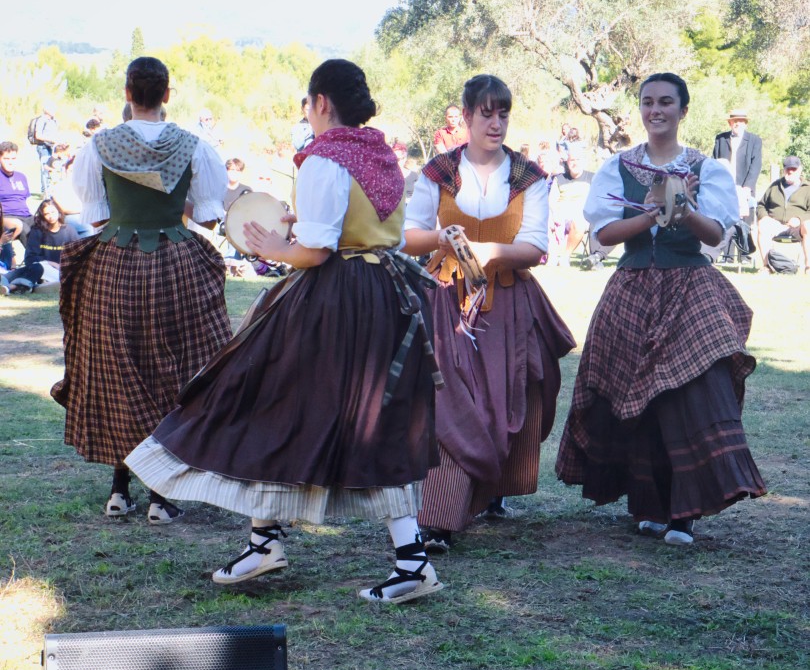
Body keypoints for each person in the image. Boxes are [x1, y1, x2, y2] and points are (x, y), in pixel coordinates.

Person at [126, 59, 443, 604]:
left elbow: (316, 252)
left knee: (277, 405)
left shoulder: (325, 158)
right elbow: (357, 229)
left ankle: (294, 546)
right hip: (383, 296)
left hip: (336, 299)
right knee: (363, 418)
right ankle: (288, 543)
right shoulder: (379, 151)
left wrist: (274, 248)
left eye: (308, 102)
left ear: (321, 102)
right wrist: (300, 231)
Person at [556, 73, 765, 546]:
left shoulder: (706, 167)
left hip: (690, 286)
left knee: (691, 393)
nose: (656, 110)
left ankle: (685, 511)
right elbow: (603, 237)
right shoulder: (618, 167)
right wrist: (651, 212)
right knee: (632, 396)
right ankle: (651, 505)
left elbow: (714, 235)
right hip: (631, 286)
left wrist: (682, 207)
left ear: (683, 111)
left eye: (666, 102)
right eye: (648, 102)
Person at [51, 57, 232, 525]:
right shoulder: (195, 145)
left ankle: (118, 489)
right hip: (175, 262)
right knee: (175, 370)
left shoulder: (100, 145)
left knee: (118, 371)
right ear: (167, 95)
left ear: (128, 94)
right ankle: (161, 494)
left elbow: (93, 217)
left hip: (116, 263)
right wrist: (175, 201)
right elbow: (210, 215)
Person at [404, 74, 575, 550]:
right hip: (445, 299)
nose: (495, 123)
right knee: (453, 402)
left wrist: (483, 249)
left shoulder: (528, 176)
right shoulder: (438, 171)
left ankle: (493, 488)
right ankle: (437, 520)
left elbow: (535, 246)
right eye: (486, 113)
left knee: (509, 397)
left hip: (507, 302)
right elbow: (408, 235)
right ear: (466, 116)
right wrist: (442, 238)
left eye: (503, 114)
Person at [0, 197, 77, 294]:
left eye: (53, 212)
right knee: (38, 267)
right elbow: (30, 259)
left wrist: (61, 266)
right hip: (42, 269)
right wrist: (50, 263)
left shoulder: (69, 231)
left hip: (63, 271)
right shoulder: (37, 231)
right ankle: (24, 285)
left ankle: (13, 286)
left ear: (59, 212)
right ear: (42, 215)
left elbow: (78, 255)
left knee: (38, 269)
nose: (50, 216)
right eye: (46, 214)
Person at [756, 156, 810, 274]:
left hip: (797, 228)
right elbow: (760, 205)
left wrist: (799, 219)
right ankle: (767, 266)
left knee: (809, 226)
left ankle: (808, 267)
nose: (790, 171)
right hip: (775, 225)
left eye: (793, 169)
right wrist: (765, 217)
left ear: (800, 169)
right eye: (787, 169)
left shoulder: (807, 188)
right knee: (762, 225)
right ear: (784, 170)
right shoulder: (774, 186)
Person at [0, 142, 34, 269]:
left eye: (13, 158)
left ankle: (52, 265)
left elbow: (27, 199)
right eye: (6, 159)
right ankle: (34, 265)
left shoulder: (21, 177)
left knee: (44, 227)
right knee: (24, 228)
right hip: (7, 216)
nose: (10, 162)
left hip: (25, 214)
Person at [712, 110, 762, 196]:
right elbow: (714, 162)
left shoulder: (755, 140)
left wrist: (747, 187)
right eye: (735, 121)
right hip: (723, 189)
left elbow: (756, 165)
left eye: (741, 121)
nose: (737, 124)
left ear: (746, 124)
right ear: (729, 123)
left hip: (745, 190)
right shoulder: (721, 139)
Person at [31, 104, 59, 194]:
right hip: (43, 147)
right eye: (52, 108)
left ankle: (50, 190)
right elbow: (38, 136)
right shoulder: (42, 120)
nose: (55, 110)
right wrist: (51, 140)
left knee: (52, 167)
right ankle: (45, 192)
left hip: (51, 147)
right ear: (46, 110)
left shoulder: (53, 120)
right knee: (45, 168)